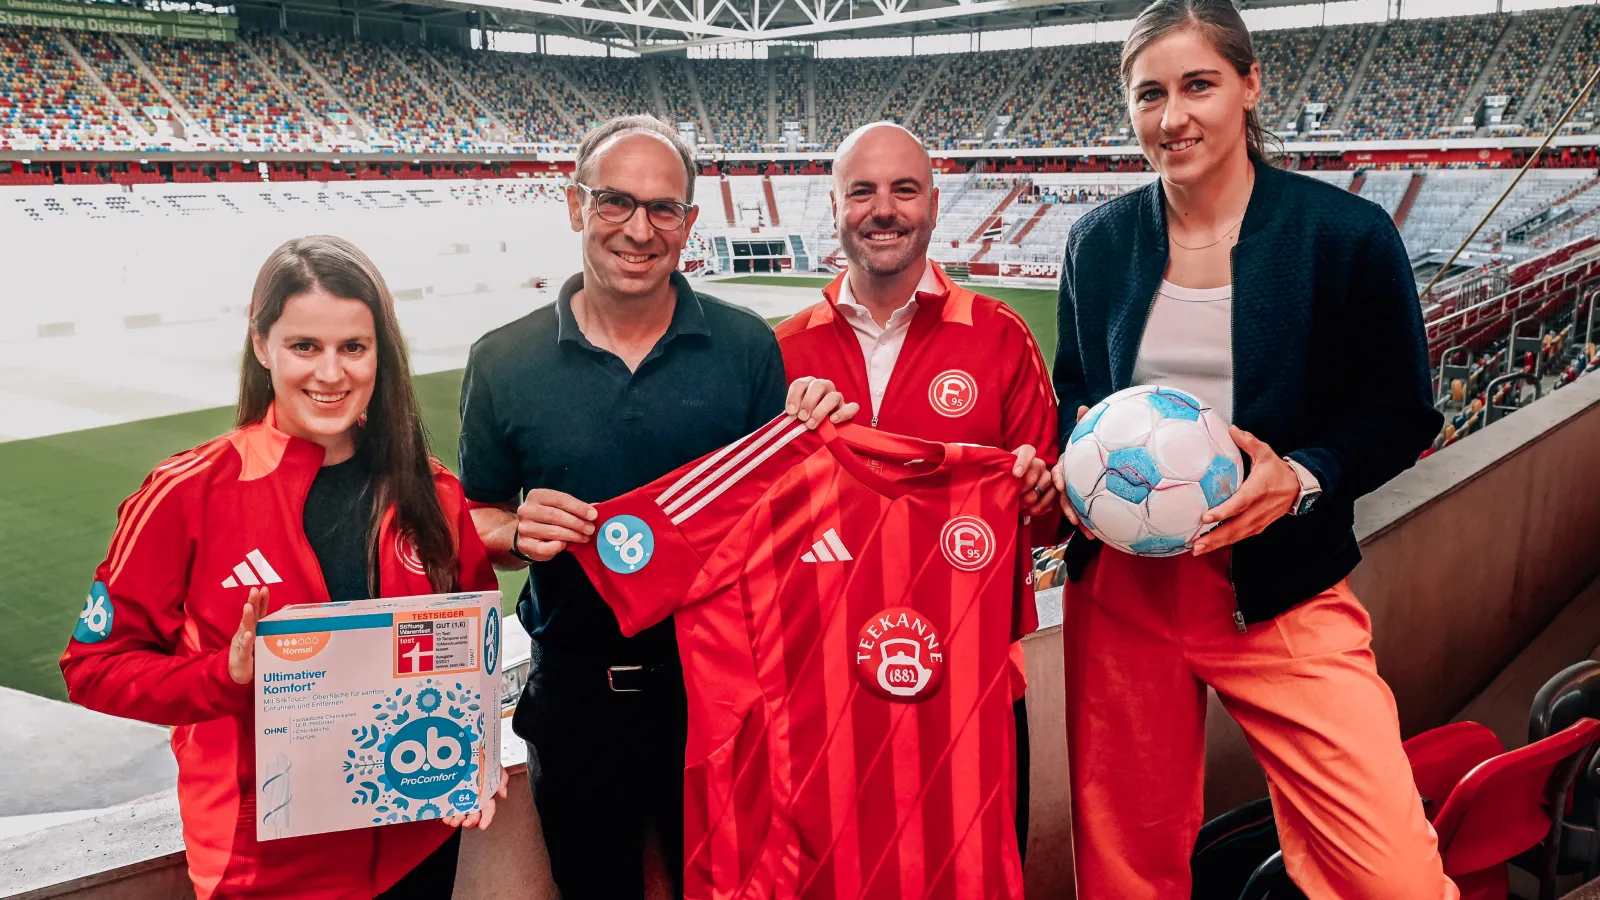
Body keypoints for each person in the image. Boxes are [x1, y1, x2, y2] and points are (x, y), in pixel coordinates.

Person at [1049, 1, 1453, 897]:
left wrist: (1303, 477)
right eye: (1149, 93)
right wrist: (1075, 469)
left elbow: (1399, 413)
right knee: (1124, 866)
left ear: (1248, 86)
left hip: (1280, 588)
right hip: (1122, 591)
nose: (1173, 116)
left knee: (1390, 873)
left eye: (1198, 84)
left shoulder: (1343, 235)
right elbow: (1076, 389)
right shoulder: (1099, 241)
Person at [458, 114, 852, 899]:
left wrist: (815, 430)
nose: (639, 229)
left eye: (663, 209)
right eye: (614, 202)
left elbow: (782, 516)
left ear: (690, 224)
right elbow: (476, 519)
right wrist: (514, 530)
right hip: (573, 699)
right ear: (574, 206)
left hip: (719, 696)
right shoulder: (502, 360)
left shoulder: (746, 348)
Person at [59, 235, 505, 899]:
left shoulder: (433, 494)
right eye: (305, 346)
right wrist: (226, 676)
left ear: (381, 354)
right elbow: (92, 668)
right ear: (263, 344)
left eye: (353, 347)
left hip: (419, 844)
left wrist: (477, 760)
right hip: (267, 873)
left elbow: (473, 655)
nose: (331, 374)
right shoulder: (189, 493)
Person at [773, 121, 1058, 861]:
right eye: (861, 191)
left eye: (904, 189)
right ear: (833, 207)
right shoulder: (780, 352)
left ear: (934, 204)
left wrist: (1035, 491)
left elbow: (1057, 519)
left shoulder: (998, 337)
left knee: (974, 867)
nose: (884, 209)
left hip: (974, 687)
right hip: (822, 694)